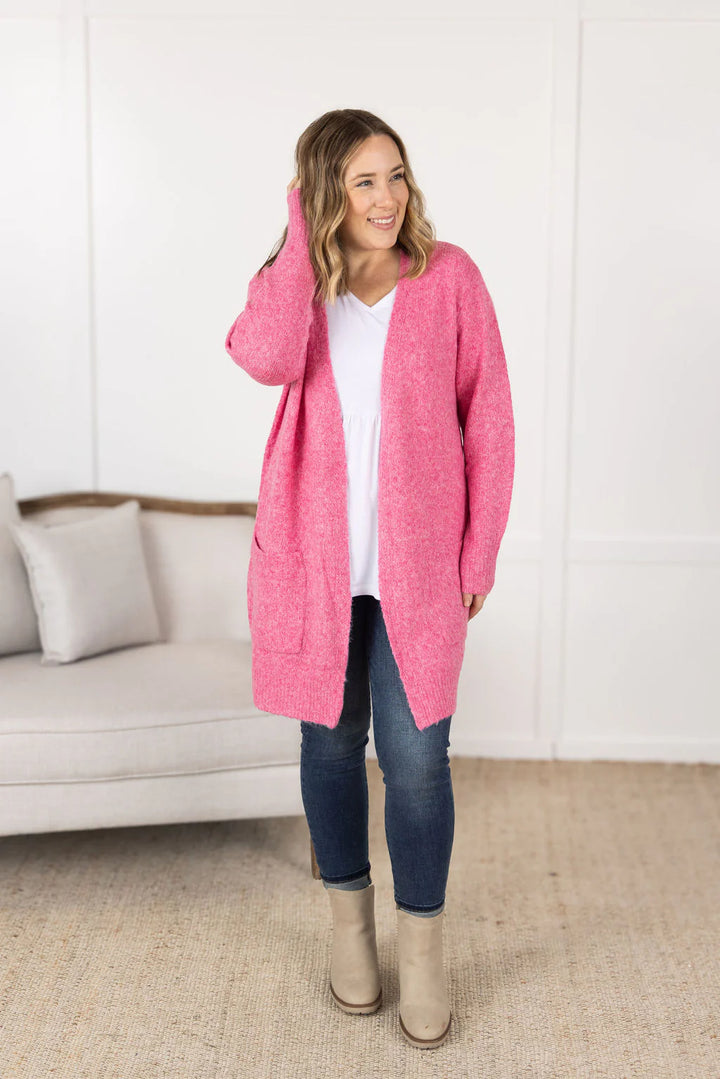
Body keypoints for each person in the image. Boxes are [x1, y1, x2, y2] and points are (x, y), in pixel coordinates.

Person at [225, 108, 515, 1050]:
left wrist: (479, 551)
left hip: (419, 569)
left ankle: (422, 949)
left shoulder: (450, 276)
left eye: (395, 175)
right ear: (324, 193)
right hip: (316, 565)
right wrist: (296, 239)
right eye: (362, 182)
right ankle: (349, 925)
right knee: (329, 744)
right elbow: (262, 356)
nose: (387, 198)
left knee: (418, 756)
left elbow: (490, 417)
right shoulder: (298, 288)